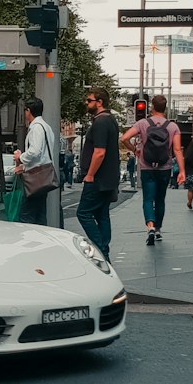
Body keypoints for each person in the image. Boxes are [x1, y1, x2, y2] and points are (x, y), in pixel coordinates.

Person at [122, 95, 185, 246]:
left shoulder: (143, 123)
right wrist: (182, 171)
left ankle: (149, 226)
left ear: (152, 107)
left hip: (147, 167)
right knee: (160, 199)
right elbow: (177, 149)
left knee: (148, 199)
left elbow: (124, 138)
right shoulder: (173, 127)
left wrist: (135, 149)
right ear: (166, 107)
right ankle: (158, 229)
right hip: (165, 168)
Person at [76, 87, 120, 259]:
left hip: (98, 179)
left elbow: (99, 152)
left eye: (89, 100)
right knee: (102, 214)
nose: (87, 103)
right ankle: (105, 253)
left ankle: (100, 248)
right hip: (108, 179)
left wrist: (90, 174)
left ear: (99, 102)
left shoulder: (101, 122)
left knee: (83, 213)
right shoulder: (110, 120)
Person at [13, 97, 57, 226]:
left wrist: (20, 158)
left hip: (35, 179)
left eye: (25, 110)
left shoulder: (36, 127)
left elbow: (35, 151)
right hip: (43, 176)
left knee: (27, 216)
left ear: (29, 111)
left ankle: (29, 242)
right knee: (39, 214)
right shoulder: (46, 127)